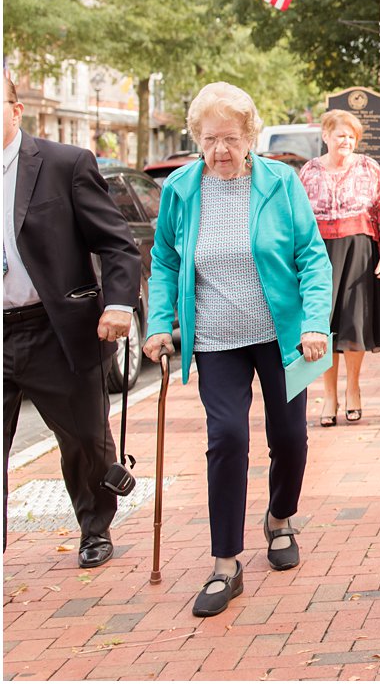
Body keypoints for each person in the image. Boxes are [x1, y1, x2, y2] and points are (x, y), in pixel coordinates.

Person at [142, 82, 333, 618]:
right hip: (216, 338)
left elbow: (312, 257)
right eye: (209, 139)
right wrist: (160, 323)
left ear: (250, 135)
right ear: (196, 139)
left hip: (283, 335)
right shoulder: (181, 188)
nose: (220, 150)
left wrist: (315, 321)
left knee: (290, 438)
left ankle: (279, 519)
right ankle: (226, 562)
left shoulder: (281, 182)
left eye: (230, 137)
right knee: (225, 438)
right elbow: (164, 261)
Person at [3, 70, 141, 568]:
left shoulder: (63, 164)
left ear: (16, 110)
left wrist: (120, 304)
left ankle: (95, 529)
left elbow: (117, 244)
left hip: (52, 327)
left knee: (84, 440)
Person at [298, 110, 380, 426]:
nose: (347, 141)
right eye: (341, 135)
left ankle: (353, 388)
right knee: (323, 324)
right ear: (326, 136)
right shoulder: (309, 171)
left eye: (352, 136)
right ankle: (329, 395)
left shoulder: (369, 167)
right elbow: (297, 221)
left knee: (354, 324)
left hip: (360, 251)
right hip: (320, 253)